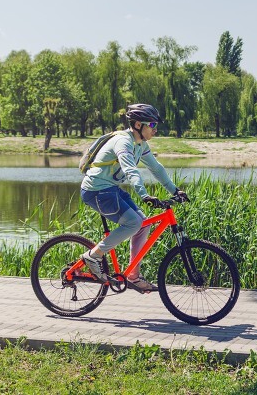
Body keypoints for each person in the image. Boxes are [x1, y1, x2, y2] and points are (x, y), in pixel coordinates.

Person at [80, 103, 188, 293]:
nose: (155, 129)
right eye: (152, 125)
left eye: (156, 125)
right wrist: (144, 194)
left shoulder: (141, 144)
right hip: (96, 191)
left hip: (110, 188)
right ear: (138, 124)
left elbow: (156, 168)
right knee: (132, 223)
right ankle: (93, 256)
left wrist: (174, 190)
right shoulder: (124, 142)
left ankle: (133, 276)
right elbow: (130, 169)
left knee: (143, 223)